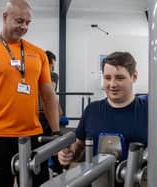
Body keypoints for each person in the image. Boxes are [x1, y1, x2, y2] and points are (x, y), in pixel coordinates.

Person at [0, 1, 60, 187]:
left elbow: (49, 96)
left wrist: (55, 132)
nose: (24, 27)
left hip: (33, 135)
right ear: (4, 17)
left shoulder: (38, 54)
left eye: (28, 22)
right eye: (19, 21)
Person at [57, 51, 148, 185]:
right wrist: (69, 153)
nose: (112, 84)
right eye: (107, 78)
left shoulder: (149, 112)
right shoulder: (92, 110)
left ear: (134, 77)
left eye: (120, 78)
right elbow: (79, 147)